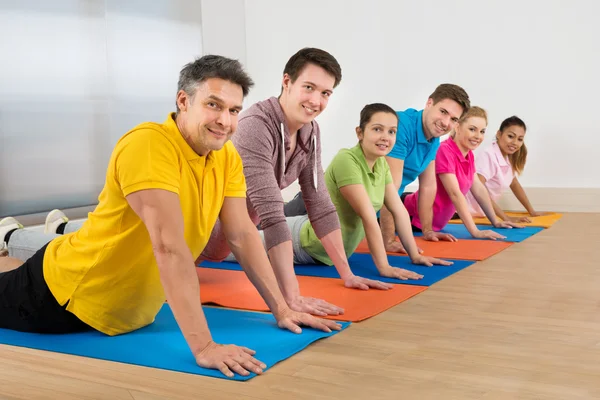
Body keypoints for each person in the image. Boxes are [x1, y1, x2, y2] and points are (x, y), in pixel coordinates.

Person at [0, 54, 340, 379]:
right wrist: (205, 346)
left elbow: (242, 235)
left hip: (130, 310)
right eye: (213, 105)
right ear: (183, 101)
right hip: (64, 295)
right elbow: (168, 247)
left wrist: (282, 308)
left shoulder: (225, 157)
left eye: (234, 110)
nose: (225, 120)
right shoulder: (150, 145)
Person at [199, 48, 388, 318]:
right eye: (309, 87)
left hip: (232, 235)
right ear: (286, 82)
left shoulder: (310, 131)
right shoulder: (256, 126)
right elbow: (272, 215)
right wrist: (291, 298)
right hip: (200, 232)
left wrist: (347, 274)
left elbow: (320, 204)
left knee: (220, 251)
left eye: (325, 93)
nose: (316, 101)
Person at [227, 103, 453, 279]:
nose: (386, 137)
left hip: (325, 251)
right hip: (303, 242)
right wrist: (384, 268)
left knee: (233, 233)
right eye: (377, 129)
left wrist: (414, 255)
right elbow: (368, 217)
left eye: (392, 132)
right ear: (360, 132)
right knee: (224, 246)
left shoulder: (382, 164)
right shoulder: (348, 159)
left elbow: (399, 210)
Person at [401, 106, 522, 239]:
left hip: (434, 224)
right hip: (409, 214)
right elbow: (455, 194)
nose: (478, 136)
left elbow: (479, 189)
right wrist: (475, 231)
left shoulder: (469, 155)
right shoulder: (444, 151)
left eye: (482, 131)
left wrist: (496, 221)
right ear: (457, 127)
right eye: (472, 129)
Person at [379, 84, 471, 253]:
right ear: (429, 103)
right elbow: (389, 187)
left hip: (377, 209)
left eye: (453, 119)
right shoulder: (401, 126)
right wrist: (389, 240)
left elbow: (428, 186)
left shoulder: (433, 138)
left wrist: (427, 230)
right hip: (352, 207)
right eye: (443, 112)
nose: (445, 122)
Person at [465, 116, 545, 222]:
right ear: (499, 134)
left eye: (520, 139)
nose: (515, 142)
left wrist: (531, 211)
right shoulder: (488, 155)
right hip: (461, 211)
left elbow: (514, 184)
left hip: (479, 213)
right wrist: (505, 217)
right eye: (511, 136)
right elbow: (478, 188)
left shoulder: (507, 157)